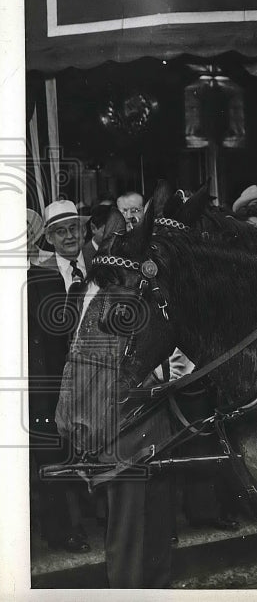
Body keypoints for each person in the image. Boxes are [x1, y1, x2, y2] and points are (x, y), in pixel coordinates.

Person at [27, 201, 94, 553]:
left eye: (74, 229)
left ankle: (94, 517)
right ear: (50, 238)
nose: (70, 236)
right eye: (60, 231)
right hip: (47, 379)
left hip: (90, 374)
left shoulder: (98, 268)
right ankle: (64, 530)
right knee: (51, 451)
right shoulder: (37, 276)